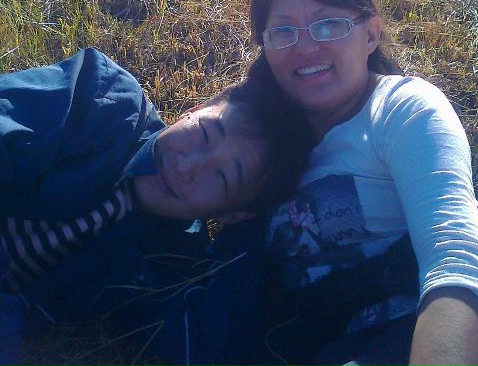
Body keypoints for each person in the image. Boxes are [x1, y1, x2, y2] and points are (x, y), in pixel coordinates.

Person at [248, 0, 478, 365]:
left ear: (371, 35)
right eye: (283, 31)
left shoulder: (402, 108)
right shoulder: (264, 137)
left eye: (329, 24)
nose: (306, 47)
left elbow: (454, 256)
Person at [0, 47, 310, 366]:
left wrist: (250, 235)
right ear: (194, 109)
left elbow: (209, 346)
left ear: (232, 214)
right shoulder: (102, 101)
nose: (185, 167)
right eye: (204, 133)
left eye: (221, 178)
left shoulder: (171, 259)